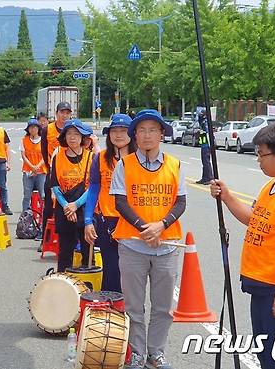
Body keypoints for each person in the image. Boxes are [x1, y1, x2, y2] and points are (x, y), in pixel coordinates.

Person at [210, 122, 275, 369]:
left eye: (262, 155)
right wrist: (227, 197)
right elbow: (253, 219)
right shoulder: (272, 186)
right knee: (267, 357)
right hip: (262, 289)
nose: (258, 160)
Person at [110, 109, 185, 369]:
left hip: (166, 246)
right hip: (132, 245)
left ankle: (156, 353)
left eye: (153, 129)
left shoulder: (174, 164)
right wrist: (145, 228)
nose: (147, 135)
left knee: (163, 307)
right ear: (135, 136)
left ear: (162, 134)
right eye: (141, 130)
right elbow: (120, 202)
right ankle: (137, 353)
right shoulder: (125, 164)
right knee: (134, 306)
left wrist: (161, 225)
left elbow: (180, 201)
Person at [84, 114, 137, 292]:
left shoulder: (140, 159)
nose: (118, 135)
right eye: (114, 131)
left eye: (123, 131)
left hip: (132, 222)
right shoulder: (99, 158)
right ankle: (111, 309)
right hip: (107, 220)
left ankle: (132, 311)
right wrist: (88, 220)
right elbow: (93, 189)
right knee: (111, 268)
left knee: (132, 271)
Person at [51, 119, 93, 272]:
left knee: (87, 252)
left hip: (85, 209)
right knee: (64, 252)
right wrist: (67, 207)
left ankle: (87, 288)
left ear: (83, 137)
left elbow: (93, 187)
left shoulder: (91, 157)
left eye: (76, 134)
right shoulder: (58, 156)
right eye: (69, 133)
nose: (72, 137)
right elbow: (55, 185)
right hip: (64, 209)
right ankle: (64, 285)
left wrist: (76, 205)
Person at [40, 102, 73, 250]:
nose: (64, 115)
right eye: (62, 112)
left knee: (70, 205)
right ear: (56, 113)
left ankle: (70, 238)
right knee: (48, 207)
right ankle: (44, 239)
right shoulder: (47, 129)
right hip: (53, 172)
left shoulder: (72, 129)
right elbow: (43, 150)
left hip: (71, 173)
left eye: (67, 112)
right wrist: (50, 171)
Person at [20, 118, 47, 214]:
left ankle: (44, 215)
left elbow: (45, 156)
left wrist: (37, 167)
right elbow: (23, 156)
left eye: (35, 127)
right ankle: (25, 216)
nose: (33, 129)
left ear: (38, 129)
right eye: (31, 127)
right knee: (27, 195)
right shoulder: (24, 140)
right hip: (28, 171)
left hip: (41, 171)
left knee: (43, 195)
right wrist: (32, 167)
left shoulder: (43, 140)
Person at [195, 108, 212, 185]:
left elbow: (208, 133)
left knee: (206, 162)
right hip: (203, 144)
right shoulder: (202, 122)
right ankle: (204, 178)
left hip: (206, 145)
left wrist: (209, 145)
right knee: (204, 162)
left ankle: (209, 178)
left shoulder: (206, 122)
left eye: (201, 114)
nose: (199, 116)